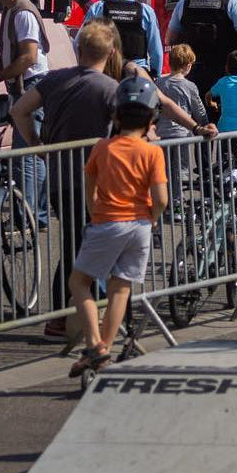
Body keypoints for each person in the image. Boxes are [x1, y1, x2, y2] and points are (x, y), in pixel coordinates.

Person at [13, 20, 214, 337]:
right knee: (102, 252)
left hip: (59, 176)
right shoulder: (111, 89)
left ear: (79, 49)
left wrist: (38, 145)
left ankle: (63, 317)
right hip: (100, 180)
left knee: (71, 245)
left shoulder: (53, 79)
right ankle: (102, 322)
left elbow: (19, 110)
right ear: (111, 52)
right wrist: (194, 129)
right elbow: (156, 112)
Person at [66, 77, 169, 377]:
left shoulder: (103, 148)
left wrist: (93, 207)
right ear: (151, 117)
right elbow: (161, 197)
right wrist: (152, 215)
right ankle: (103, 349)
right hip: (140, 225)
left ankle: (94, 344)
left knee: (80, 282)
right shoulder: (152, 152)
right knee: (120, 288)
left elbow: (90, 183)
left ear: (116, 115)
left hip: (109, 220)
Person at [0, 0, 50, 222]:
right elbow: (9, 53)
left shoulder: (22, 13)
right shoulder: (11, 10)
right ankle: (37, 214)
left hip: (32, 84)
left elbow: (28, 57)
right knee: (30, 151)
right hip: (25, 86)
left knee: (27, 153)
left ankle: (29, 217)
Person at [84, 0, 163, 75]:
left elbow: (80, 43)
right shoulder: (146, 11)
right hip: (136, 76)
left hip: (106, 74)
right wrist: (155, 75)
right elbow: (156, 52)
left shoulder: (98, 8)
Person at [156, 44, 208, 140]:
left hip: (161, 133)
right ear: (188, 66)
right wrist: (205, 125)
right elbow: (199, 111)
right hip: (184, 135)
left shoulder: (158, 83)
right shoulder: (190, 86)